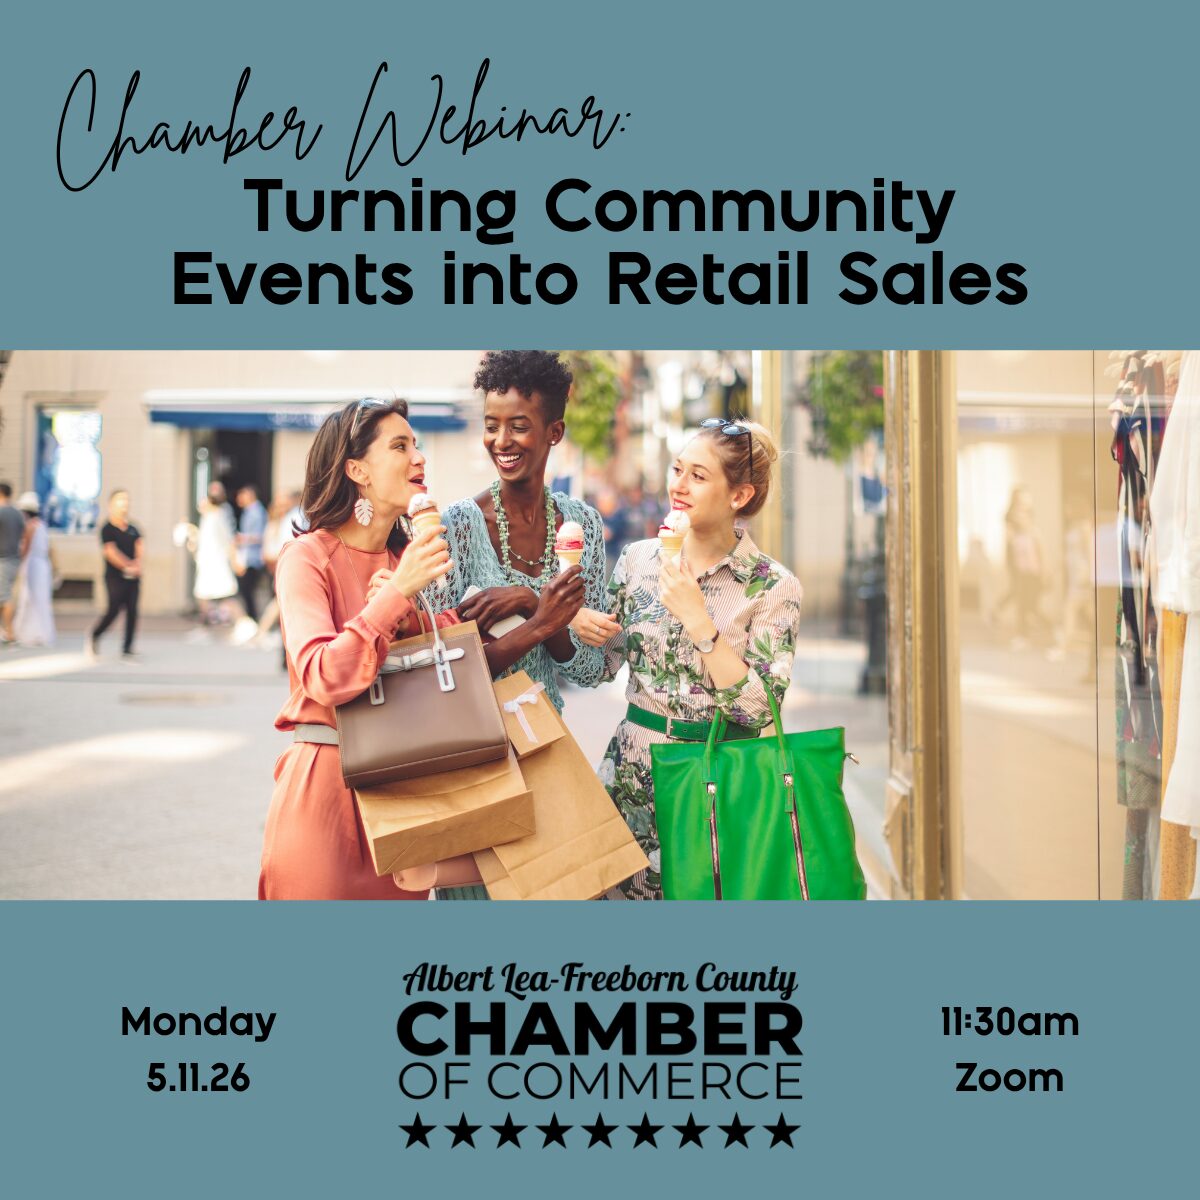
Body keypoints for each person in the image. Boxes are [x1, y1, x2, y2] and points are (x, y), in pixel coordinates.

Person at [259, 397, 583, 901]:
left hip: (407, 796)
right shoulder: (306, 559)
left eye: (418, 444)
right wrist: (397, 594)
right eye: (400, 446)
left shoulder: (408, 558)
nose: (419, 458)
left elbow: (455, 653)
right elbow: (323, 674)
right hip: (326, 793)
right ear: (356, 470)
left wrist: (540, 618)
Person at [573, 420, 804, 900]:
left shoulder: (771, 586)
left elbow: (760, 710)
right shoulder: (638, 560)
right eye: (678, 469)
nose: (678, 484)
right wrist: (568, 623)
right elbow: (598, 669)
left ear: (739, 496)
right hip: (634, 776)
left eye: (698, 476)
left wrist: (701, 624)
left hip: (717, 782)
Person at [424, 351, 609, 900]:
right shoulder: (457, 525)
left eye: (519, 426)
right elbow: (437, 666)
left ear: (554, 431)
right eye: (491, 425)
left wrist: (535, 605)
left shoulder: (585, 528)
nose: (501, 440)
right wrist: (541, 620)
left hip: (545, 752)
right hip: (471, 759)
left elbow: (595, 668)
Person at [90, 488, 143, 659]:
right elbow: (110, 552)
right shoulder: (107, 529)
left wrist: (137, 565)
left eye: (126, 501)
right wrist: (126, 565)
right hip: (115, 577)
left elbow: (140, 547)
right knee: (113, 609)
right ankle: (95, 634)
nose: (124, 504)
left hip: (133, 577)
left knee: (132, 611)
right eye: (120, 501)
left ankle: (127, 647)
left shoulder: (134, 529)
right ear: (111, 505)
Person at [193, 482, 240, 625]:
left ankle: (242, 622)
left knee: (226, 594)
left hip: (217, 561)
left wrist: (234, 560)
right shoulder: (207, 517)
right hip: (206, 561)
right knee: (203, 594)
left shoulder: (220, 515)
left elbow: (229, 540)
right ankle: (205, 623)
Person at [13, 492, 56, 647]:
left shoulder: (30, 526)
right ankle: (40, 633)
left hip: (33, 565)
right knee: (39, 599)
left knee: (29, 598)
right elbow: (50, 549)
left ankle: (29, 633)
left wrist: (17, 563)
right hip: (43, 565)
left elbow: (25, 548)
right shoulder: (42, 525)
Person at [235, 484, 268, 622]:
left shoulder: (256, 512)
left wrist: (242, 538)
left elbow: (260, 536)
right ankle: (251, 619)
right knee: (246, 590)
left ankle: (253, 619)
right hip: (248, 557)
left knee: (247, 589)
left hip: (253, 558)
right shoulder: (249, 512)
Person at [0, 483, 27, 647]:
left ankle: (10, 633)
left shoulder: (2, 512)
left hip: (3, 559)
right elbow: (23, 537)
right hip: (14, 559)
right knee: (5, 593)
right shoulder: (18, 514)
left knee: (5, 596)